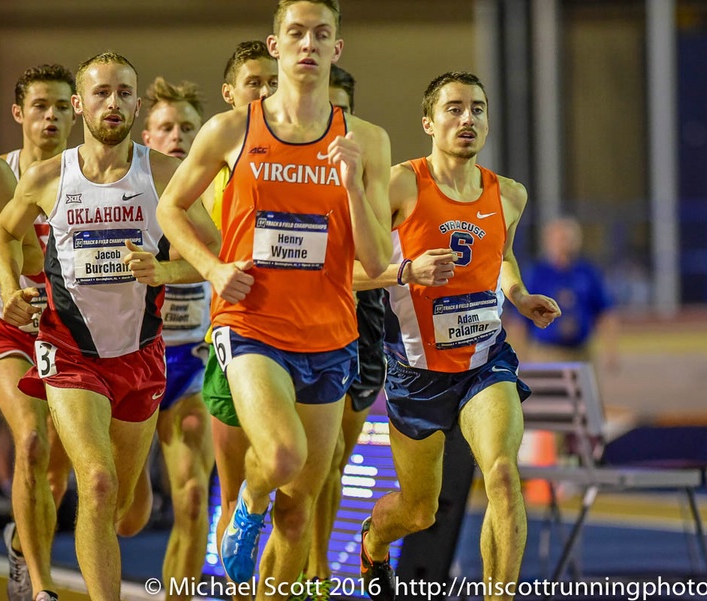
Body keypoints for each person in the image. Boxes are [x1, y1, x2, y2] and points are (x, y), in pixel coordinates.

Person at [157, 0, 391, 591]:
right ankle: (245, 504)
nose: (308, 44)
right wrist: (211, 268)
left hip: (332, 336)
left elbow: (377, 261)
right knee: (282, 459)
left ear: (336, 48)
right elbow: (171, 207)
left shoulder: (366, 140)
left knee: (297, 510)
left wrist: (351, 187)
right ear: (276, 44)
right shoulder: (232, 129)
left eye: (321, 34)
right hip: (251, 323)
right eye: (296, 33)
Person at [0, 51, 219, 601]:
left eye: (123, 93)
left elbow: (213, 250)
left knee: (126, 512)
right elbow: (2, 232)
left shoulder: (163, 174)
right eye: (101, 93)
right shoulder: (48, 176)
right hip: (67, 352)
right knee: (93, 480)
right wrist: (12, 287)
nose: (112, 103)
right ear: (81, 104)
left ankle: (122, 476)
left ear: (136, 104)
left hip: (140, 354)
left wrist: (164, 267)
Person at [356, 71, 561, 601]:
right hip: (415, 372)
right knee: (419, 510)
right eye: (453, 109)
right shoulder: (401, 184)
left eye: (477, 109)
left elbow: (502, 255)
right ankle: (373, 543)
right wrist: (407, 272)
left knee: (500, 474)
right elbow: (347, 267)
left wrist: (519, 296)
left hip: (484, 361)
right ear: (428, 122)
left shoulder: (509, 195)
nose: (466, 118)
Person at [0, 63, 76, 601]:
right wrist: (7, 290)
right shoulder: (0, 173)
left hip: (76, 338)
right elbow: (0, 241)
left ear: (78, 112)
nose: (51, 116)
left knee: (58, 477)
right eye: (40, 106)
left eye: (62, 107)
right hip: (12, 327)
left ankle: (23, 544)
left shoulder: (98, 177)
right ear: (19, 113)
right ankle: (39, 587)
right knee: (29, 442)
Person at [303, 64, 388, 601]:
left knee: (338, 457)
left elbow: (379, 254)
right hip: (309, 318)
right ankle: (310, 568)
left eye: (337, 111)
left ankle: (319, 564)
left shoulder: (367, 157)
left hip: (366, 320)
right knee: (318, 451)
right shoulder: (290, 159)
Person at [198, 40, 277, 601]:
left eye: (272, 81)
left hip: (303, 338)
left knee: (292, 493)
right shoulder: (215, 168)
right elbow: (174, 227)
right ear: (230, 94)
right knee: (230, 496)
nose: (267, 91)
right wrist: (212, 267)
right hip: (232, 338)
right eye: (255, 82)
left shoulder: (306, 153)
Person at [140, 76, 215, 601]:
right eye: (166, 126)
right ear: (148, 134)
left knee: (192, 499)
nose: (177, 136)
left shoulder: (213, 194)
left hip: (191, 359)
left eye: (188, 126)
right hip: (129, 362)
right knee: (126, 513)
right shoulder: (125, 191)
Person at [520, 216, 619, 370]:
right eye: (559, 239)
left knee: (586, 394)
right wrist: (520, 357)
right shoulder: (536, 274)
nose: (564, 244)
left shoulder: (587, 272)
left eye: (568, 239)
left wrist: (610, 351)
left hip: (581, 352)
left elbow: (605, 313)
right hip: (546, 354)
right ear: (548, 241)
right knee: (547, 394)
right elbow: (519, 320)